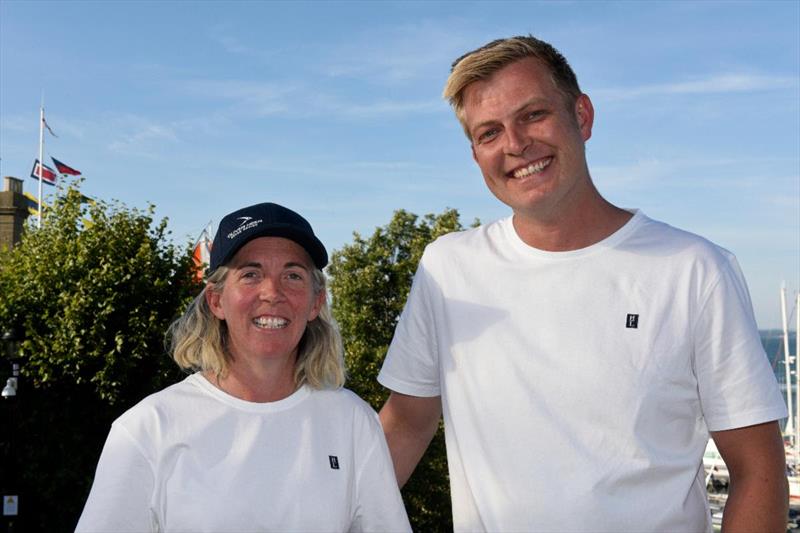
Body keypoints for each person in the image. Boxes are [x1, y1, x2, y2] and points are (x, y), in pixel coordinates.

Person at [377, 35, 789, 532]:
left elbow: (757, 471)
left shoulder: (694, 270)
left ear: (583, 115)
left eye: (533, 115)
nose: (515, 143)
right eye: (489, 132)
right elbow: (406, 426)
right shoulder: (447, 268)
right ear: (476, 155)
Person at [76, 202, 411, 533]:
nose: (272, 292)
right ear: (216, 300)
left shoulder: (353, 422)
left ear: (315, 302)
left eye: (292, 275)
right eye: (251, 274)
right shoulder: (148, 428)